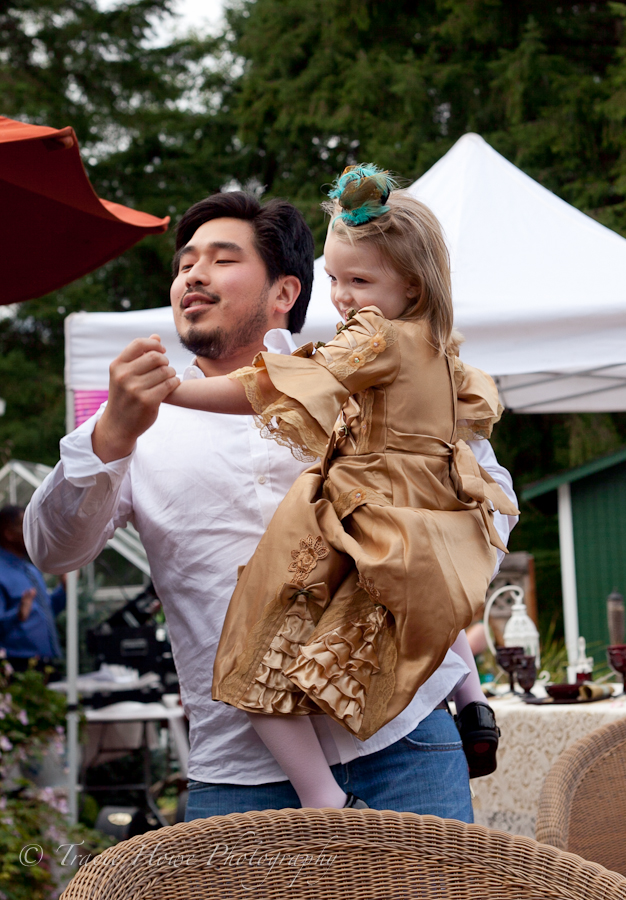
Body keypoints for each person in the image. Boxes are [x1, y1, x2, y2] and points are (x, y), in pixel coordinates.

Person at [24, 189, 517, 822]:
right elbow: (52, 550)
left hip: (407, 743)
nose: (193, 274)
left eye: (222, 259)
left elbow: (490, 508)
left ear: (285, 292)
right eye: (184, 263)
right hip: (238, 778)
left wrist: (402, 553)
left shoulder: (361, 378)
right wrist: (111, 433)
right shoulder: (138, 425)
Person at [162, 165, 519, 809]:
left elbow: (278, 385)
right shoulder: (440, 350)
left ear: (410, 284)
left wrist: (175, 391)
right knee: (411, 609)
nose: (342, 297)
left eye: (359, 280)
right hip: (427, 509)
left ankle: (322, 797)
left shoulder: (375, 338)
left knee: (251, 647)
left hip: (362, 505)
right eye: (334, 279)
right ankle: (471, 702)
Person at [0, 504, 66, 672]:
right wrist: (17, 615)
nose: (33, 532)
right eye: (26, 526)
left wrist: (65, 588)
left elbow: (48, 610)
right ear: (8, 534)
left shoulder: (30, 569)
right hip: (17, 666)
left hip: (45, 663)